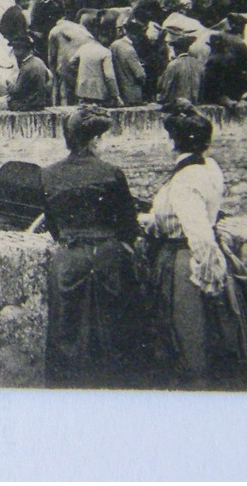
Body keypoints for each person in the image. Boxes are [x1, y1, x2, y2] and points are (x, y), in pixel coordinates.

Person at [141, 108, 247, 389]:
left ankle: (196, 383)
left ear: (172, 142)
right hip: (204, 251)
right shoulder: (210, 168)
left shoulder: (183, 181)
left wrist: (208, 275)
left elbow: (198, 233)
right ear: (207, 143)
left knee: (187, 333)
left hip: (186, 262)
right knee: (216, 329)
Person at [37, 108, 148, 387]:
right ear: (96, 140)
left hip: (69, 260)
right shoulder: (111, 173)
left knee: (67, 334)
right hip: (108, 259)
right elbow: (129, 226)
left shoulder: (48, 175)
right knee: (115, 336)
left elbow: (53, 226)